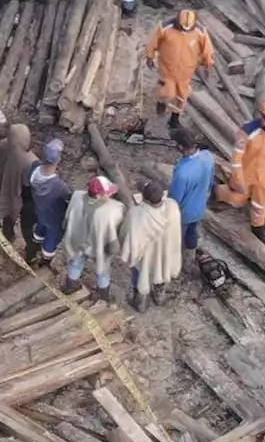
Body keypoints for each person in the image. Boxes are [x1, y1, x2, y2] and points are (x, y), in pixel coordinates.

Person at [215, 100, 265, 244]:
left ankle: (258, 227)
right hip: (246, 174)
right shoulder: (247, 132)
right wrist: (238, 178)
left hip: (263, 176)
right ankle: (214, 192)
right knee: (236, 198)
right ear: (262, 117)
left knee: (261, 203)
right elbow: (236, 159)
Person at [121, 181, 183, 312]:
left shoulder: (136, 214)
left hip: (145, 256)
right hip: (165, 252)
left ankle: (140, 302)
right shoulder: (173, 208)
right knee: (161, 269)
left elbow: (127, 235)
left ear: (144, 198)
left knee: (139, 273)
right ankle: (159, 296)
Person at [62, 175, 125, 302]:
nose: (110, 195)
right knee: (103, 271)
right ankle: (103, 296)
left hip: (77, 242)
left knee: (75, 263)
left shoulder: (76, 197)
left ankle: (70, 287)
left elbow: (66, 221)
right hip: (99, 247)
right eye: (107, 193)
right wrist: (113, 250)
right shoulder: (114, 209)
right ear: (98, 195)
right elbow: (113, 240)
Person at [147, 10, 215, 128]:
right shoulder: (165, 27)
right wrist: (150, 56)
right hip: (167, 69)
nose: (185, 30)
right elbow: (154, 42)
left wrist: (208, 62)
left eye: (188, 29)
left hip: (185, 72)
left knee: (182, 96)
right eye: (183, 28)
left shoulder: (200, 31)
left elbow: (207, 49)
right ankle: (161, 105)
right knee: (165, 92)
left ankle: (174, 119)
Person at [168, 127, 215, 255]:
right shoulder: (208, 156)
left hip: (185, 212)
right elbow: (211, 181)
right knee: (192, 232)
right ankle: (191, 254)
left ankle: (174, 254)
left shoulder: (182, 172)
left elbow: (175, 199)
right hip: (200, 205)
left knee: (176, 233)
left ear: (181, 146)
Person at [0, 123, 37, 247]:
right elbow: (30, 186)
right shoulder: (30, 160)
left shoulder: (3, 146)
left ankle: (8, 237)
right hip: (20, 195)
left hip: (4, 189)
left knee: (7, 216)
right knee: (24, 223)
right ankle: (29, 249)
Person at [28, 139, 72, 267]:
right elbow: (69, 199)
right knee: (53, 237)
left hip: (40, 210)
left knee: (40, 227)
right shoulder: (59, 186)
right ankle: (45, 260)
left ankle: (34, 245)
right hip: (54, 218)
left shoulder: (34, 168)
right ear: (58, 160)